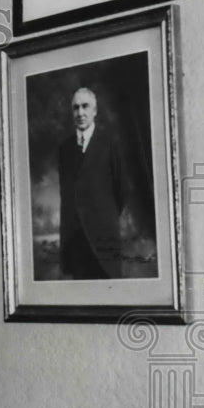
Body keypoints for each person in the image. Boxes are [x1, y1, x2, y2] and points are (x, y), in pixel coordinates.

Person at [58, 87, 130, 279]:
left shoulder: (110, 143)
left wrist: (104, 217)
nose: (80, 113)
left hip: (104, 239)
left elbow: (122, 190)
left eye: (85, 106)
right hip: (76, 243)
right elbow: (65, 199)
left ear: (95, 111)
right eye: (75, 108)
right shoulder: (65, 149)